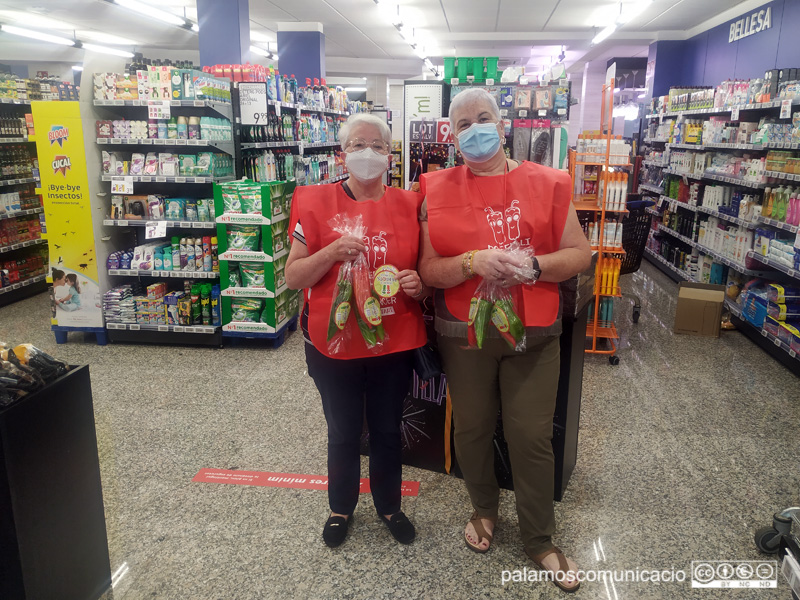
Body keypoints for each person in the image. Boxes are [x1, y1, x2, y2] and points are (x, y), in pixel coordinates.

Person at [418, 88, 591, 593]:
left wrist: (534, 266)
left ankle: (540, 538)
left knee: (530, 436)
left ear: (503, 121)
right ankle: (483, 510)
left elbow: (579, 254)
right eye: (463, 123)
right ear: (451, 135)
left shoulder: (549, 182)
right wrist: (471, 262)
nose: (475, 129)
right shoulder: (434, 188)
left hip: (533, 334)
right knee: (471, 428)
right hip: (463, 333)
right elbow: (428, 269)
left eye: (484, 118)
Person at [286, 113, 428, 548]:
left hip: (393, 340)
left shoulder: (409, 204)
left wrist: (418, 285)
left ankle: (389, 505)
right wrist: (329, 252)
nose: (368, 154)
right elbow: (294, 277)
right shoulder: (312, 203)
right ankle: (340, 507)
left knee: (387, 427)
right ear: (341, 154)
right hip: (333, 342)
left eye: (378, 146)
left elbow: (424, 273)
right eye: (358, 145)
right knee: (344, 427)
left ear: (390, 154)